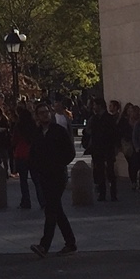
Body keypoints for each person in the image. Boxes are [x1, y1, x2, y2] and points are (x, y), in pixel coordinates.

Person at [28, 102, 76, 258]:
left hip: (58, 175)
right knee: (57, 210)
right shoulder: (36, 133)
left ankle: (44, 245)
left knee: (51, 209)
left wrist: (59, 164)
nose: (45, 115)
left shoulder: (59, 131)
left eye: (47, 112)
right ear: (37, 116)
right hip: (44, 175)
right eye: (41, 113)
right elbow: (33, 153)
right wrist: (35, 168)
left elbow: (70, 152)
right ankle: (70, 243)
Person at [86, 98, 120, 202]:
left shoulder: (109, 119)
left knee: (110, 172)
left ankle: (113, 194)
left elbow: (114, 134)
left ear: (100, 106)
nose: (93, 107)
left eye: (95, 105)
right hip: (97, 149)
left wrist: (115, 147)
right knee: (99, 171)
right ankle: (102, 193)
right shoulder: (94, 118)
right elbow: (89, 132)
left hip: (107, 149)